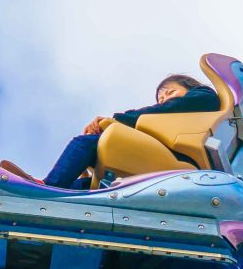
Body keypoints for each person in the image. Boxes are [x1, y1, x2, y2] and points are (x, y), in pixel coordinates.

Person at [16, 72, 223, 188]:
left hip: (179, 162)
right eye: (161, 99)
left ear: (189, 87)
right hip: (157, 160)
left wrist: (116, 120)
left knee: (87, 143)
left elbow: (167, 109)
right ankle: (55, 195)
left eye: (170, 92)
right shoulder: (166, 122)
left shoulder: (203, 97)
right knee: (87, 186)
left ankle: (46, 187)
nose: (165, 100)